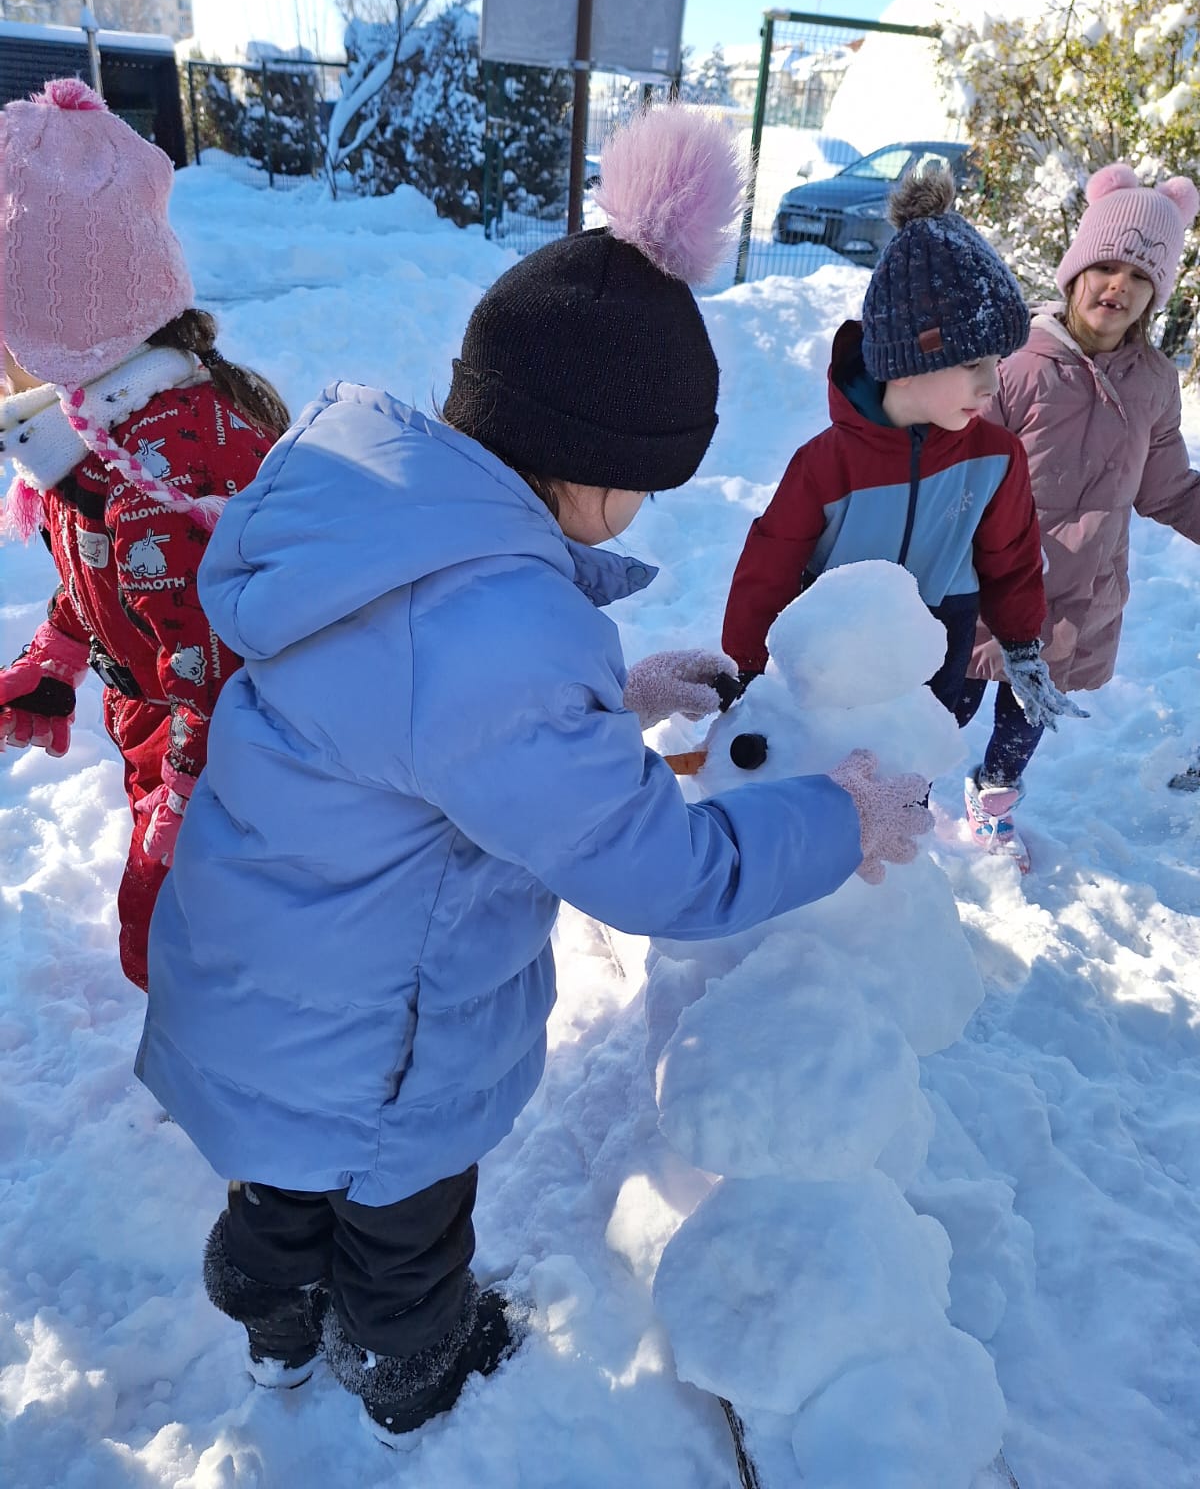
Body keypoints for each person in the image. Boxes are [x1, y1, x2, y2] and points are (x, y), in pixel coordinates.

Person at [134, 106, 933, 1444]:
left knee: (281, 1183)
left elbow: (416, 718)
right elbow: (660, 871)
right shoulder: (500, 631)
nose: (643, 509)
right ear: (593, 473)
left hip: (260, 991)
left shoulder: (376, 521)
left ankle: (274, 1323)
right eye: (644, 484)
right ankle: (411, 1368)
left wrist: (608, 698)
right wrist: (837, 819)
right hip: (378, 1044)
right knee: (401, 1223)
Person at [0, 78, 287, 988]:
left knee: (203, 952)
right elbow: (104, 570)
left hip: (230, 779)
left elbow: (223, 682)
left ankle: (241, 1043)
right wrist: (59, 653)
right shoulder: (98, 429)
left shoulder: (166, 472)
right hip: (158, 730)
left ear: (52, 327)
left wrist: (178, 837)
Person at [721, 166, 1081, 870]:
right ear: (911, 359)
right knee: (828, 765)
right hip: (833, 649)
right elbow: (768, 566)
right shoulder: (827, 464)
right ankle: (820, 873)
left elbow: (1010, 556)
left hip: (939, 637)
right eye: (974, 364)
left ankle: (895, 879)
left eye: (997, 362)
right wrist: (745, 668)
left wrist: (1021, 646)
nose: (992, 383)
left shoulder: (994, 456)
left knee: (906, 768)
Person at [963, 163, 1200, 858]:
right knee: (948, 698)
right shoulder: (1014, 363)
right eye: (1106, 267)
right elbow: (961, 469)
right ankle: (900, 793)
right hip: (986, 578)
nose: (1118, 286)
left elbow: (1166, 488)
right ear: (1075, 273)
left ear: (1155, 296)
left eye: (1140, 276)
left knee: (1027, 713)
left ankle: (993, 794)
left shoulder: (1153, 383)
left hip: (1074, 594)